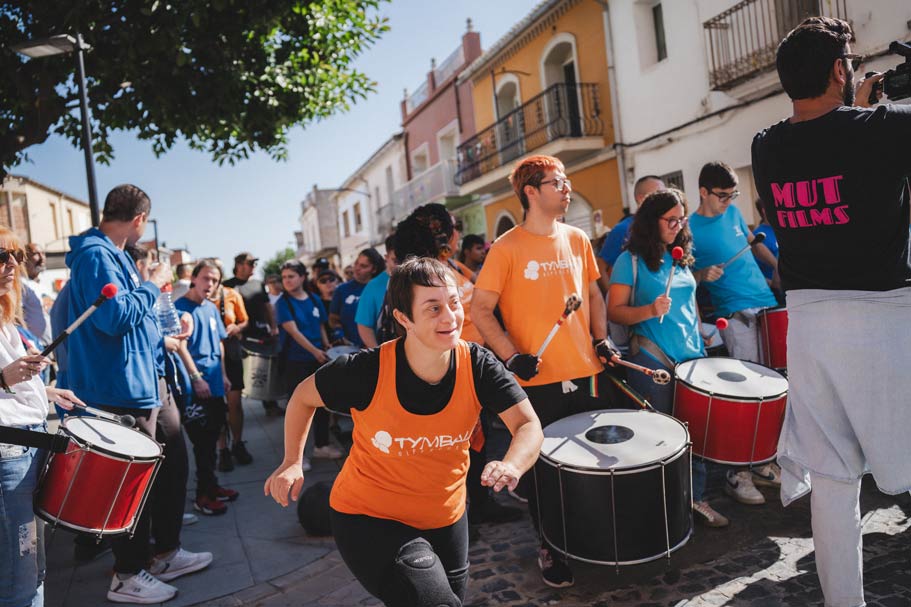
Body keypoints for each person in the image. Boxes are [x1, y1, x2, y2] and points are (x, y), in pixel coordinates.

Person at [264, 257, 543, 607]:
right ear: (403, 318)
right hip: (370, 518)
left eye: (454, 303)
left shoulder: (477, 364)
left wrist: (513, 465)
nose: (450, 317)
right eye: (433, 308)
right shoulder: (366, 371)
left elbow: (528, 424)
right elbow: (303, 398)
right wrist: (292, 460)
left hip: (446, 517)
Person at [751, 16, 910, 607]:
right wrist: (878, 109)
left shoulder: (764, 146)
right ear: (840, 70)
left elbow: (827, 141)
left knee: (835, 480)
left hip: (810, 325)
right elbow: (863, 142)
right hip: (885, 317)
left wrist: (867, 110)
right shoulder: (885, 128)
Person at [472, 154, 615, 588]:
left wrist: (601, 338)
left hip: (586, 371)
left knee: (591, 464)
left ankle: (590, 537)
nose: (567, 187)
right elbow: (480, 310)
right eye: (557, 182)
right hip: (537, 381)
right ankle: (550, 545)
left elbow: (592, 294)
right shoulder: (507, 248)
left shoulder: (576, 239)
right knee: (545, 474)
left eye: (566, 180)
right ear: (530, 192)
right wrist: (510, 355)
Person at [64, 184, 210, 604]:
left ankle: (164, 551)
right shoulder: (96, 255)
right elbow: (114, 318)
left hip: (148, 381)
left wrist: (165, 337)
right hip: (121, 388)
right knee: (135, 483)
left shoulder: (117, 257)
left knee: (173, 465)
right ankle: (128, 573)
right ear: (140, 220)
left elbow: (133, 320)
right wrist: (154, 284)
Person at [606, 189, 728, 527]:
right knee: (658, 438)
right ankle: (660, 508)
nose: (677, 226)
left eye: (681, 219)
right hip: (652, 359)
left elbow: (688, 301)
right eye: (670, 220)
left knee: (695, 433)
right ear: (651, 221)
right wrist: (649, 309)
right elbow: (614, 312)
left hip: (693, 358)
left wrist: (698, 330)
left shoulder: (680, 257)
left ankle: (696, 499)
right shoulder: (629, 260)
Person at [0, 229, 86, 607]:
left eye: (16, 255)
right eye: (3, 255)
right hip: (9, 455)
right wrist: (4, 378)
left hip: (30, 442)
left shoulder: (5, 315)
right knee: (20, 575)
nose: (13, 264)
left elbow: (12, 384)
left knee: (35, 568)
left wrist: (46, 391)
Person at [688, 162, 781, 505]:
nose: (728, 201)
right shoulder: (690, 228)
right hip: (734, 312)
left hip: (766, 302)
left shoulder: (734, 214)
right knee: (749, 394)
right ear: (703, 192)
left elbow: (753, 245)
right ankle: (736, 473)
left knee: (774, 389)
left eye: (733, 194)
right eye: (723, 195)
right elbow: (685, 278)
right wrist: (701, 274)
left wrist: (777, 267)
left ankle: (763, 462)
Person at [174, 259, 239, 515]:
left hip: (215, 383)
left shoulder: (211, 308)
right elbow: (179, 346)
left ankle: (212, 486)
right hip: (195, 388)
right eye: (206, 278)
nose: (210, 284)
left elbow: (220, 343)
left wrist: (222, 374)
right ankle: (203, 496)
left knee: (214, 436)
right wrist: (195, 377)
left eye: (215, 280)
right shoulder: (181, 308)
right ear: (194, 278)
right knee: (202, 443)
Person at [275, 260, 340, 469]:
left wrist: (326, 345)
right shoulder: (282, 303)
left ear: (302, 277)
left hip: (318, 358)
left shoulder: (313, 299)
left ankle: (321, 445)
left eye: (291, 276)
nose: (287, 281)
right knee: (298, 410)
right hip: (296, 362)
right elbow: (293, 332)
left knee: (322, 404)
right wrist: (315, 351)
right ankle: (295, 457)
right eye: (284, 277)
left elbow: (321, 325)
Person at [223, 252, 282, 416]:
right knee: (240, 372)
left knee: (264, 369)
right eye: (251, 264)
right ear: (240, 265)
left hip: (260, 333)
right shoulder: (227, 285)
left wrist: (273, 326)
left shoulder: (257, 284)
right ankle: (235, 406)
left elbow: (267, 307)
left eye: (255, 264)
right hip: (239, 336)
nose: (254, 267)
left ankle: (270, 404)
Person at [209, 280, 251, 472]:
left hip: (231, 349)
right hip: (210, 352)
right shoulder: (201, 297)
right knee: (217, 405)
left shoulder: (232, 294)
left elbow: (244, 320)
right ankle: (222, 450)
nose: (211, 282)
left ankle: (237, 443)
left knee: (234, 403)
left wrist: (237, 327)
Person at [597, 175, 665, 292]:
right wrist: (614, 299)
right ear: (641, 199)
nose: (664, 199)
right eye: (658, 194)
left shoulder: (665, 226)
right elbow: (601, 267)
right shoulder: (623, 229)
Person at [330, 249, 384, 347]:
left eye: (363, 266)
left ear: (374, 269)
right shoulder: (342, 290)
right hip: (350, 348)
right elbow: (333, 318)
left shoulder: (382, 288)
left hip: (377, 347)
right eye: (356, 263)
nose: (357, 268)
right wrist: (339, 332)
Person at [355, 234, 398, 348]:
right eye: (396, 261)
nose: (401, 266)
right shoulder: (374, 286)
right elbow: (364, 326)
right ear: (386, 258)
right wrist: (379, 353)